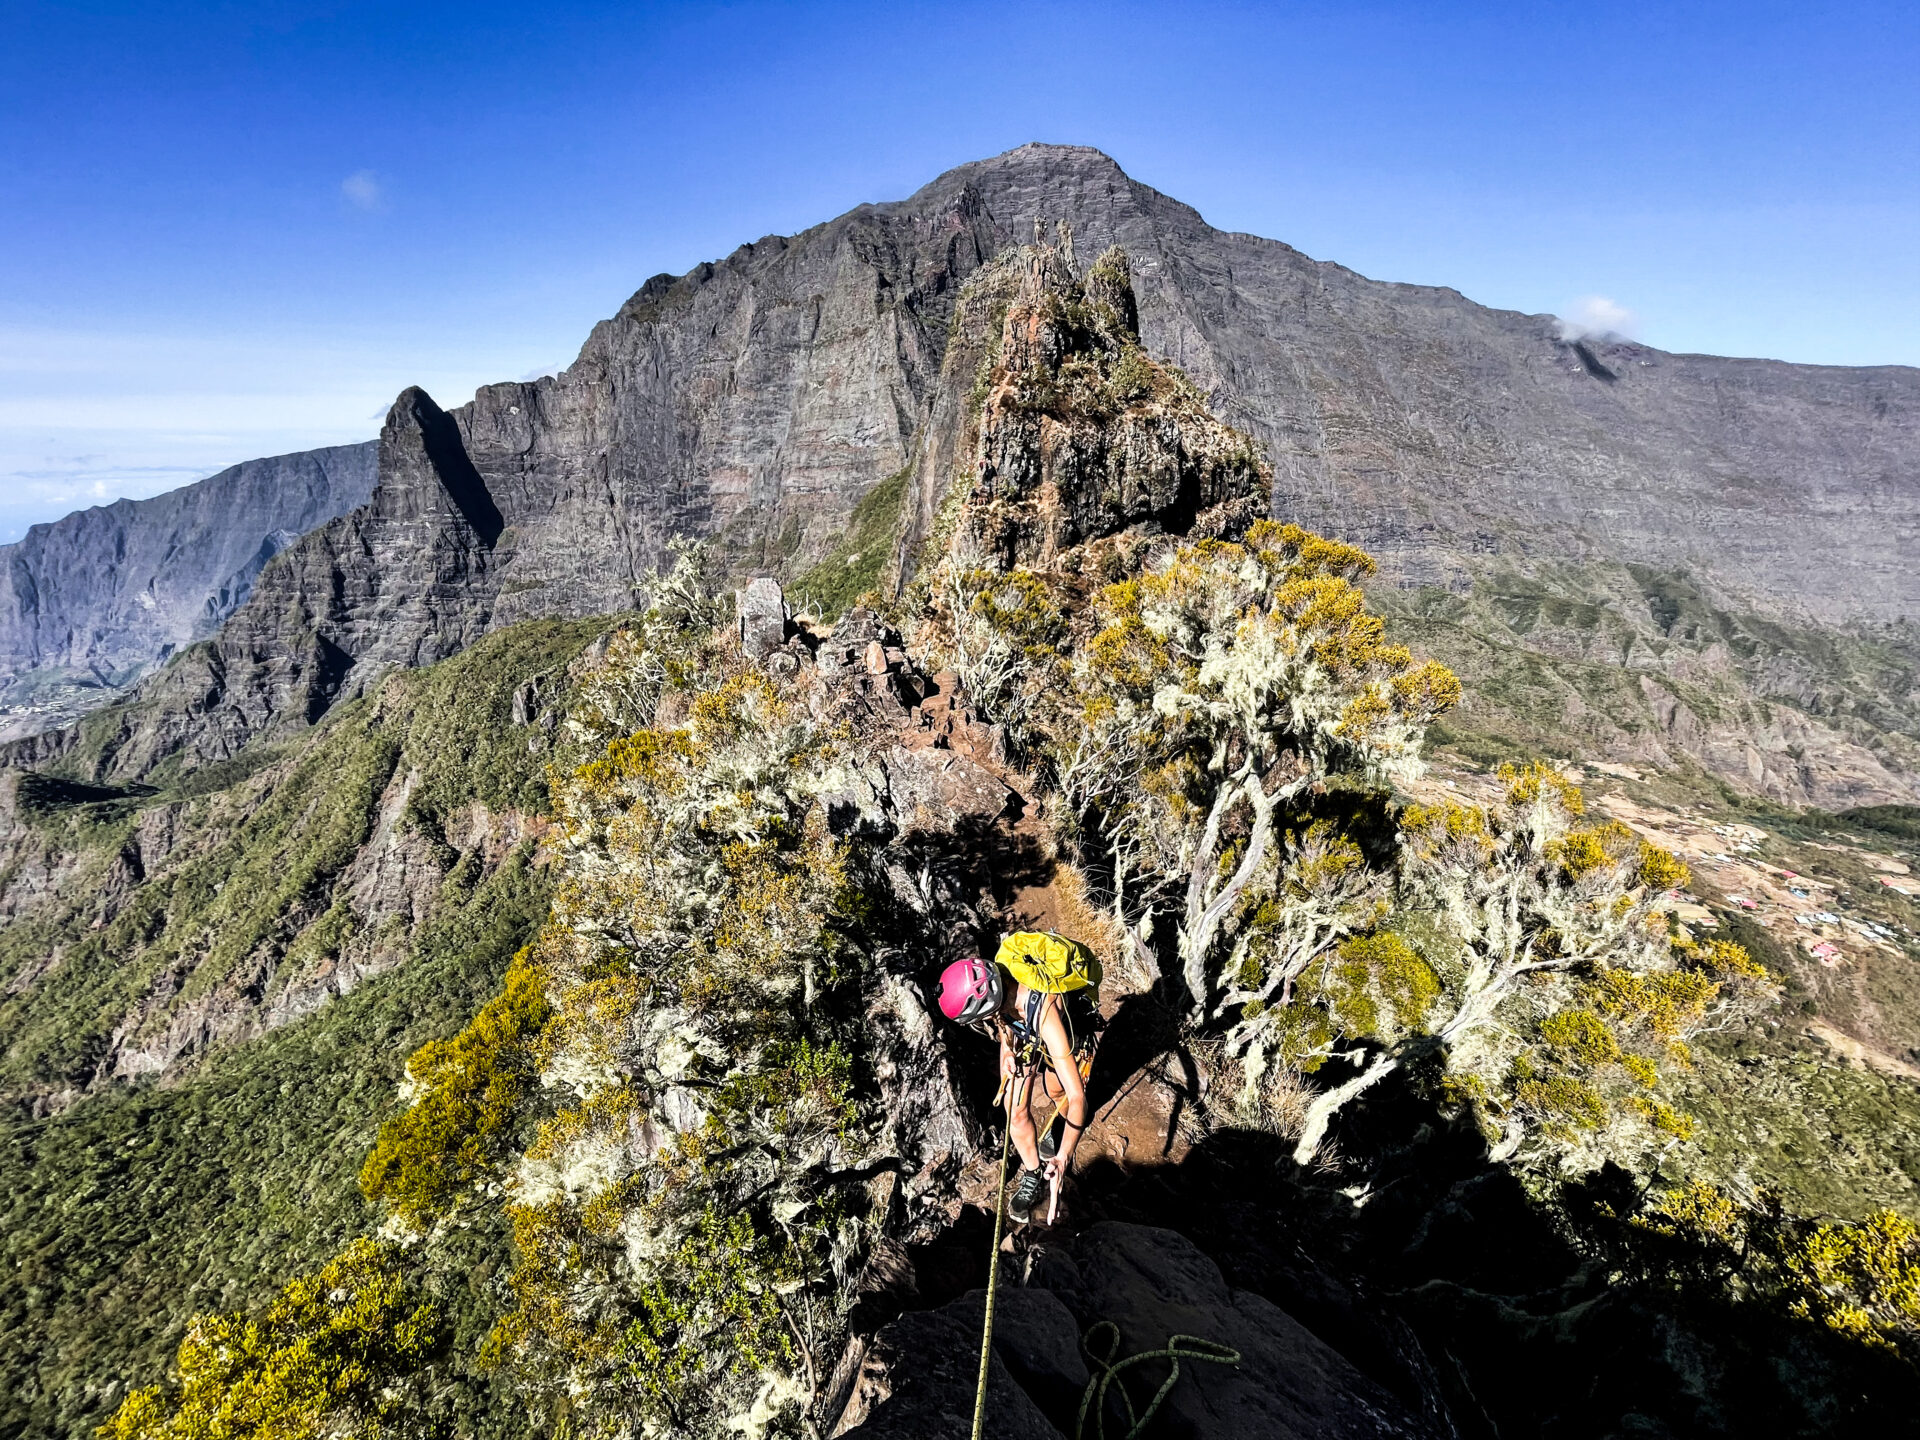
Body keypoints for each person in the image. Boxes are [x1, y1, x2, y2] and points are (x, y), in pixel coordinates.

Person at [936, 947, 1091, 1225]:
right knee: (1014, 1108)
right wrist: (1007, 1050)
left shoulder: (1046, 1016)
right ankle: (1032, 1172)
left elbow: (1078, 1096)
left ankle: (1059, 1135)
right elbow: (1002, 1014)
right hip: (1022, 1028)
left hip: (1053, 1028)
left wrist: (1064, 1158)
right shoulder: (1001, 979)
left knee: (1058, 1090)